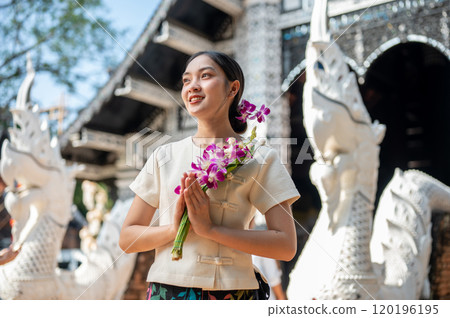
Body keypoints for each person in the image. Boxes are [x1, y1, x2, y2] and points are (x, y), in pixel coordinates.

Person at [119, 51, 300, 300]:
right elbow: (128, 239)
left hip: (234, 293)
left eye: (205, 76)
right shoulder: (163, 156)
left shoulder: (259, 156)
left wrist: (210, 229)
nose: (193, 86)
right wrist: (174, 229)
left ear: (232, 89)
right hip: (168, 292)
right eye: (186, 80)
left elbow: (286, 246)